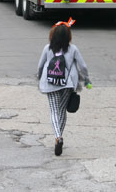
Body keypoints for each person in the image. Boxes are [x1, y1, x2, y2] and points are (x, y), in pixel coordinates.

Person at [36, 19, 91, 156]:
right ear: (68, 36)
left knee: (54, 111)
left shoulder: (47, 48)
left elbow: (40, 65)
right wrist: (86, 80)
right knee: (61, 111)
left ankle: (58, 137)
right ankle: (58, 136)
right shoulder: (73, 49)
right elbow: (82, 66)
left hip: (51, 83)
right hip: (67, 83)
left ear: (52, 35)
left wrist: (39, 76)